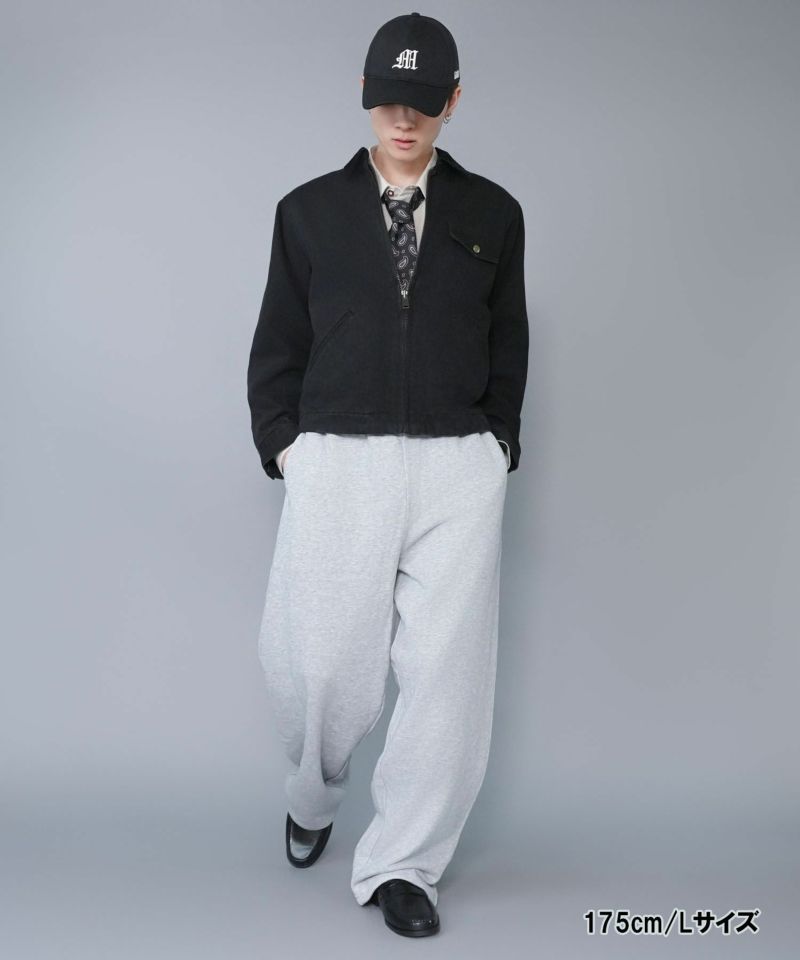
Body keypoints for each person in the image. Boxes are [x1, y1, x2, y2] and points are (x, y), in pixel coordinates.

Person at [247, 12, 529, 938]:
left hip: (456, 466)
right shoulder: (308, 212)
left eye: (424, 101)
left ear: (454, 101)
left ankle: (405, 865)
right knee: (320, 668)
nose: (404, 119)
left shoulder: (493, 214)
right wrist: (287, 445)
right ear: (366, 95)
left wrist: (496, 446)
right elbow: (278, 342)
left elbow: (510, 341)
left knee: (447, 679)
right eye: (389, 99)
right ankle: (314, 793)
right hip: (340, 459)